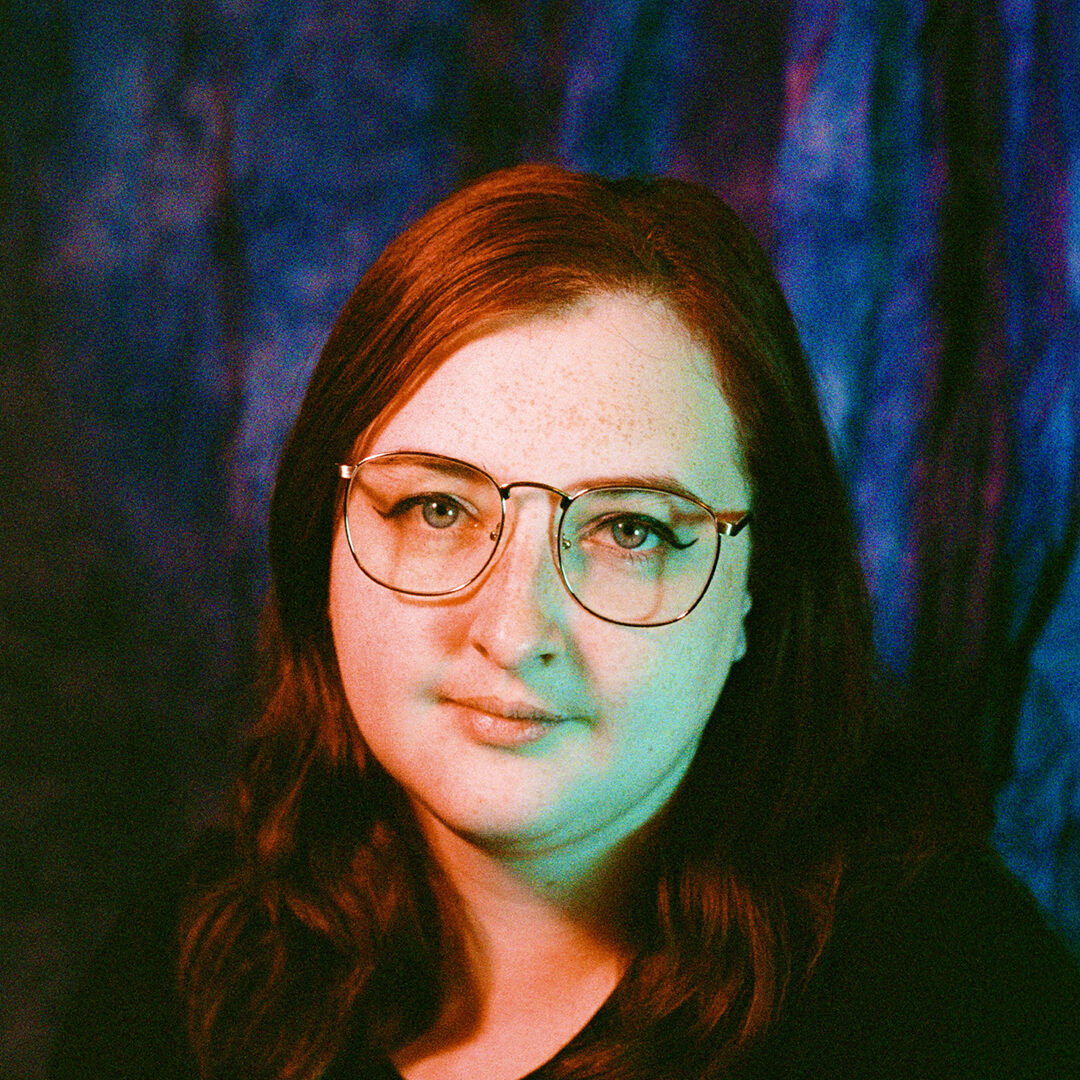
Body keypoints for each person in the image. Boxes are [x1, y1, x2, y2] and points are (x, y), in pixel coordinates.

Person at [51, 164, 1080, 1080]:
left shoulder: (959, 1007)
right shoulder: (188, 974)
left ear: (756, 588)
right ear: (323, 540)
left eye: (630, 530)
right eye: (439, 509)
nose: (512, 626)